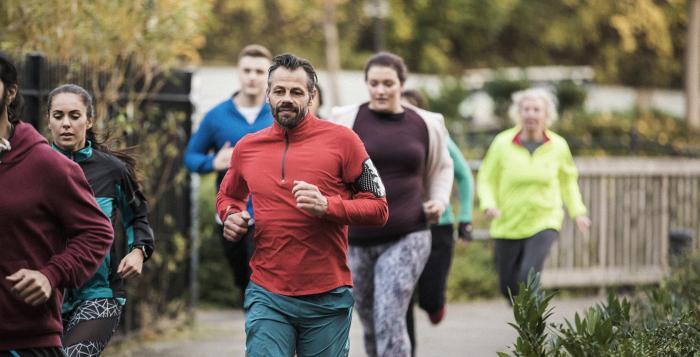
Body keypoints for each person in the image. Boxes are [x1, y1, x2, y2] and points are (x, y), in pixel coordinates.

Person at [217, 53, 388, 357]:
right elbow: (228, 195)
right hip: (267, 291)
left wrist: (328, 206)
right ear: (268, 94)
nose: (287, 99)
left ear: (311, 96)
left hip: (327, 295)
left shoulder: (344, 141)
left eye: (296, 92)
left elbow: (379, 207)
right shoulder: (247, 147)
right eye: (279, 91)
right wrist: (231, 215)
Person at [330, 52, 453, 357]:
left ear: (402, 84)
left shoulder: (426, 123)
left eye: (388, 83)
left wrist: (438, 200)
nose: (380, 90)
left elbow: (443, 167)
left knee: (389, 317)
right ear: (366, 84)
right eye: (374, 83)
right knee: (370, 323)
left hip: (408, 234)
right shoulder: (345, 120)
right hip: (355, 240)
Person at [0, 54, 114, 356]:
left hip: (24, 339)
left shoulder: (46, 164)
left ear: (10, 92)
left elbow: (98, 232)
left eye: (75, 117)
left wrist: (51, 275)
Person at [46, 84, 155, 356]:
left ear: (89, 119)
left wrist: (138, 252)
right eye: (58, 116)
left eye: (75, 115)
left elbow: (137, 216)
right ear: (49, 121)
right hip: (45, 296)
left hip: (100, 294)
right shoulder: (37, 167)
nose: (66, 124)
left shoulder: (112, 171)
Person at [476, 87, 591, 301]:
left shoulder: (558, 146)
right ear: (518, 113)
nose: (530, 114)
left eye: (536, 109)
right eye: (526, 109)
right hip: (507, 222)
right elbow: (486, 178)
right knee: (507, 287)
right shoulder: (502, 143)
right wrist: (488, 203)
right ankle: (526, 321)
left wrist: (578, 212)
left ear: (546, 114)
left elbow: (568, 182)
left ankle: (535, 329)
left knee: (528, 275)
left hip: (544, 220)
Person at [184, 44, 273, 304]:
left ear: (269, 75)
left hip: (271, 214)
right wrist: (214, 161)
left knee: (261, 283)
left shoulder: (278, 114)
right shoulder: (216, 116)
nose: (253, 76)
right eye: (247, 70)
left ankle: (260, 340)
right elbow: (190, 158)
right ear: (238, 72)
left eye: (259, 71)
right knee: (244, 281)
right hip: (231, 213)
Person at [401, 89, 474, 356]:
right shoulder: (384, 138)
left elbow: (464, 175)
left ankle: (434, 304)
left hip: (438, 225)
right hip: (401, 226)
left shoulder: (436, 135)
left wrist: (465, 217)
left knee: (430, 298)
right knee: (401, 297)